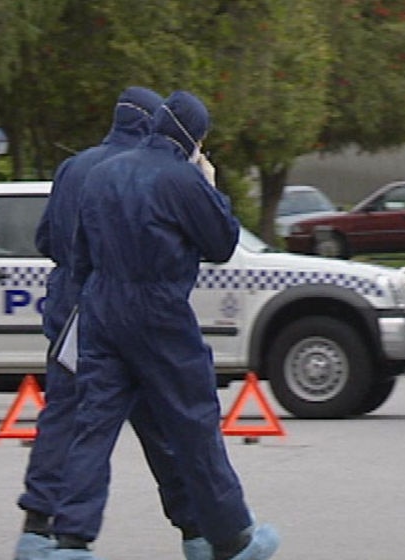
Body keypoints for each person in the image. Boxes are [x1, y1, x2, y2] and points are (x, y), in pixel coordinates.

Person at [49, 91, 280, 560]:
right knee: (194, 423)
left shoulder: (100, 174)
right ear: (194, 136)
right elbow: (220, 243)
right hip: (159, 312)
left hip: (101, 309)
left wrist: (97, 301)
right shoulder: (181, 179)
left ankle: (70, 540)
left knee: (93, 427)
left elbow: (79, 255)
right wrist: (209, 184)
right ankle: (231, 537)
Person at [15, 86, 213, 560]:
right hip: (130, 318)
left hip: (70, 319)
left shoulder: (74, 167)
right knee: (164, 431)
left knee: (68, 425)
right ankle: (197, 532)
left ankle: (39, 531)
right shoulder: (152, 174)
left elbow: (47, 238)